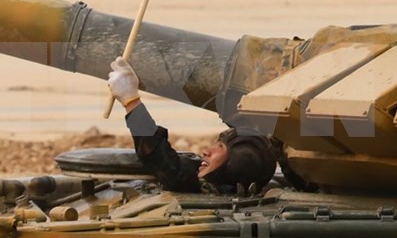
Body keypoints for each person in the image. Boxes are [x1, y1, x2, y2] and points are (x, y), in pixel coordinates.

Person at [107, 56, 277, 193]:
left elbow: (168, 166)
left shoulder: (209, 191)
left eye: (220, 147)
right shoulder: (216, 183)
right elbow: (172, 163)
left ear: (238, 165)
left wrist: (131, 102)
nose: (206, 152)